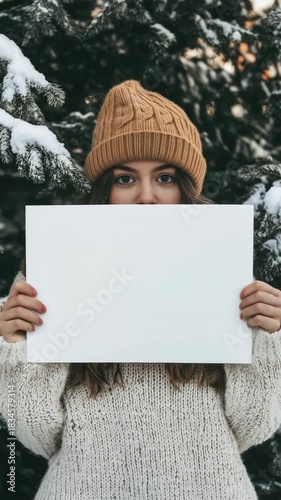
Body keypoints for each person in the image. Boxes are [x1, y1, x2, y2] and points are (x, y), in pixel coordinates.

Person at [0, 79, 281, 500]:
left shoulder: (224, 274)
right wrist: (13, 346)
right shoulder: (53, 269)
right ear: (104, 191)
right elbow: (37, 432)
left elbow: (254, 425)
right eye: (126, 178)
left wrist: (268, 340)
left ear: (186, 190)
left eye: (165, 177)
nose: (147, 197)